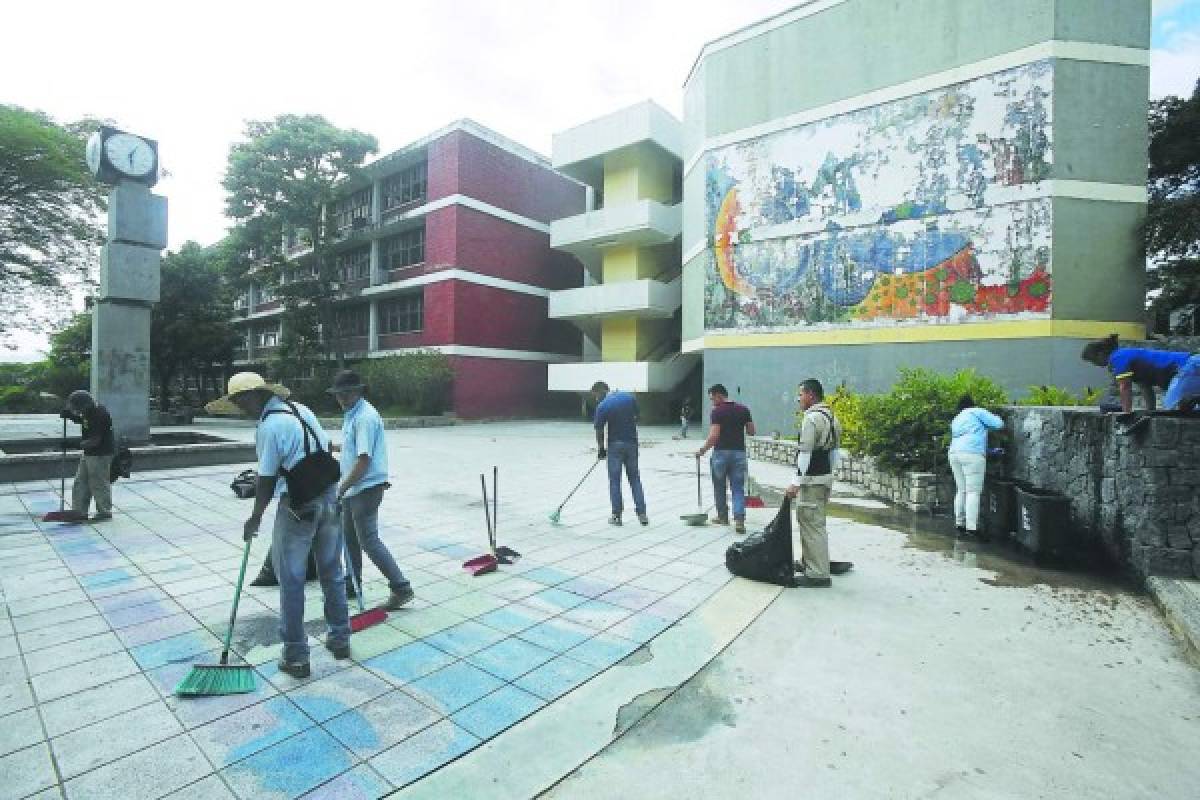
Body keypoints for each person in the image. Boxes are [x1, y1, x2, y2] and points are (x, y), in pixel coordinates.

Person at [209, 371, 350, 679]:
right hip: (329, 496)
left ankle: (296, 655)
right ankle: (341, 639)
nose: (241, 408)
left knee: (292, 579)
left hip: (299, 507)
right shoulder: (302, 410)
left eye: (240, 401)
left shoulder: (270, 427)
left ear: (255, 395)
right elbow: (323, 449)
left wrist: (255, 517)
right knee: (332, 571)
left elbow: (267, 479)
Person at [328, 369, 414, 610]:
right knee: (349, 538)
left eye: (347, 393)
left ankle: (401, 587)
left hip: (365, 488)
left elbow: (363, 461)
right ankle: (351, 584)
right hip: (355, 488)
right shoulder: (353, 414)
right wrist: (333, 447)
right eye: (338, 394)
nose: (342, 398)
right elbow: (354, 448)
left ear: (358, 391)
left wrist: (340, 488)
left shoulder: (364, 417)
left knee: (368, 541)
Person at [785, 378, 843, 588]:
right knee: (814, 523)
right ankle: (810, 562)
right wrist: (831, 477)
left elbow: (805, 453)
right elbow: (835, 453)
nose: (799, 399)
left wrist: (796, 482)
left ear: (810, 394)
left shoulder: (811, 419)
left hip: (811, 481)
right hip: (824, 479)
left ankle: (818, 574)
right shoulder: (832, 416)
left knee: (811, 525)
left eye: (800, 394)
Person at [695, 384, 755, 533]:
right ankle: (739, 520)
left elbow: (714, 436)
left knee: (719, 486)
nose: (712, 402)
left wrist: (702, 450)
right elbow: (752, 431)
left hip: (721, 454)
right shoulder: (743, 409)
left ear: (719, 395)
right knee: (737, 487)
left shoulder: (717, 412)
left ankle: (723, 517)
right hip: (739, 454)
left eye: (712, 398)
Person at [1081, 334, 1189, 413]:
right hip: (1184, 368)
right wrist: (1150, 411)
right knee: (1183, 408)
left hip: (1187, 367)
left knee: (1176, 407)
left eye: (1093, 360)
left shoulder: (1118, 358)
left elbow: (1125, 386)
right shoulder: (1126, 359)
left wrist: (1126, 412)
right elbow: (1145, 387)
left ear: (1100, 354)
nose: (1094, 364)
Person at [947, 394, 1004, 538]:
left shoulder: (956, 418)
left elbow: (967, 439)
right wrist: (995, 416)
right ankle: (972, 528)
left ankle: (959, 524)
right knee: (973, 491)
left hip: (954, 454)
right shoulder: (976, 411)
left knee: (961, 490)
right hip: (972, 455)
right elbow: (999, 424)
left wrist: (989, 450)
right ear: (972, 404)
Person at [591, 381, 648, 526]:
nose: (596, 398)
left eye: (596, 395)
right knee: (635, 479)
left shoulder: (603, 406)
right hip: (632, 444)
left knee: (615, 481)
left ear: (602, 390)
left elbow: (599, 430)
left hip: (615, 446)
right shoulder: (629, 398)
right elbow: (638, 417)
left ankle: (616, 516)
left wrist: (601, 449)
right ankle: (642, 514)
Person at [61, 390, 115, 521]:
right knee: (81, 482)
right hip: (90, 453)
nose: (77, 411)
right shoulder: (89, 411)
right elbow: (85, 421)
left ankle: (104, 512)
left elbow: (94, 441)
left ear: (84, 405)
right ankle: (79, 511)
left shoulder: (99, 414)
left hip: (100, 453)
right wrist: (72, 417)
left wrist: (74, 445)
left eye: (77, 409)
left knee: (98, 482)